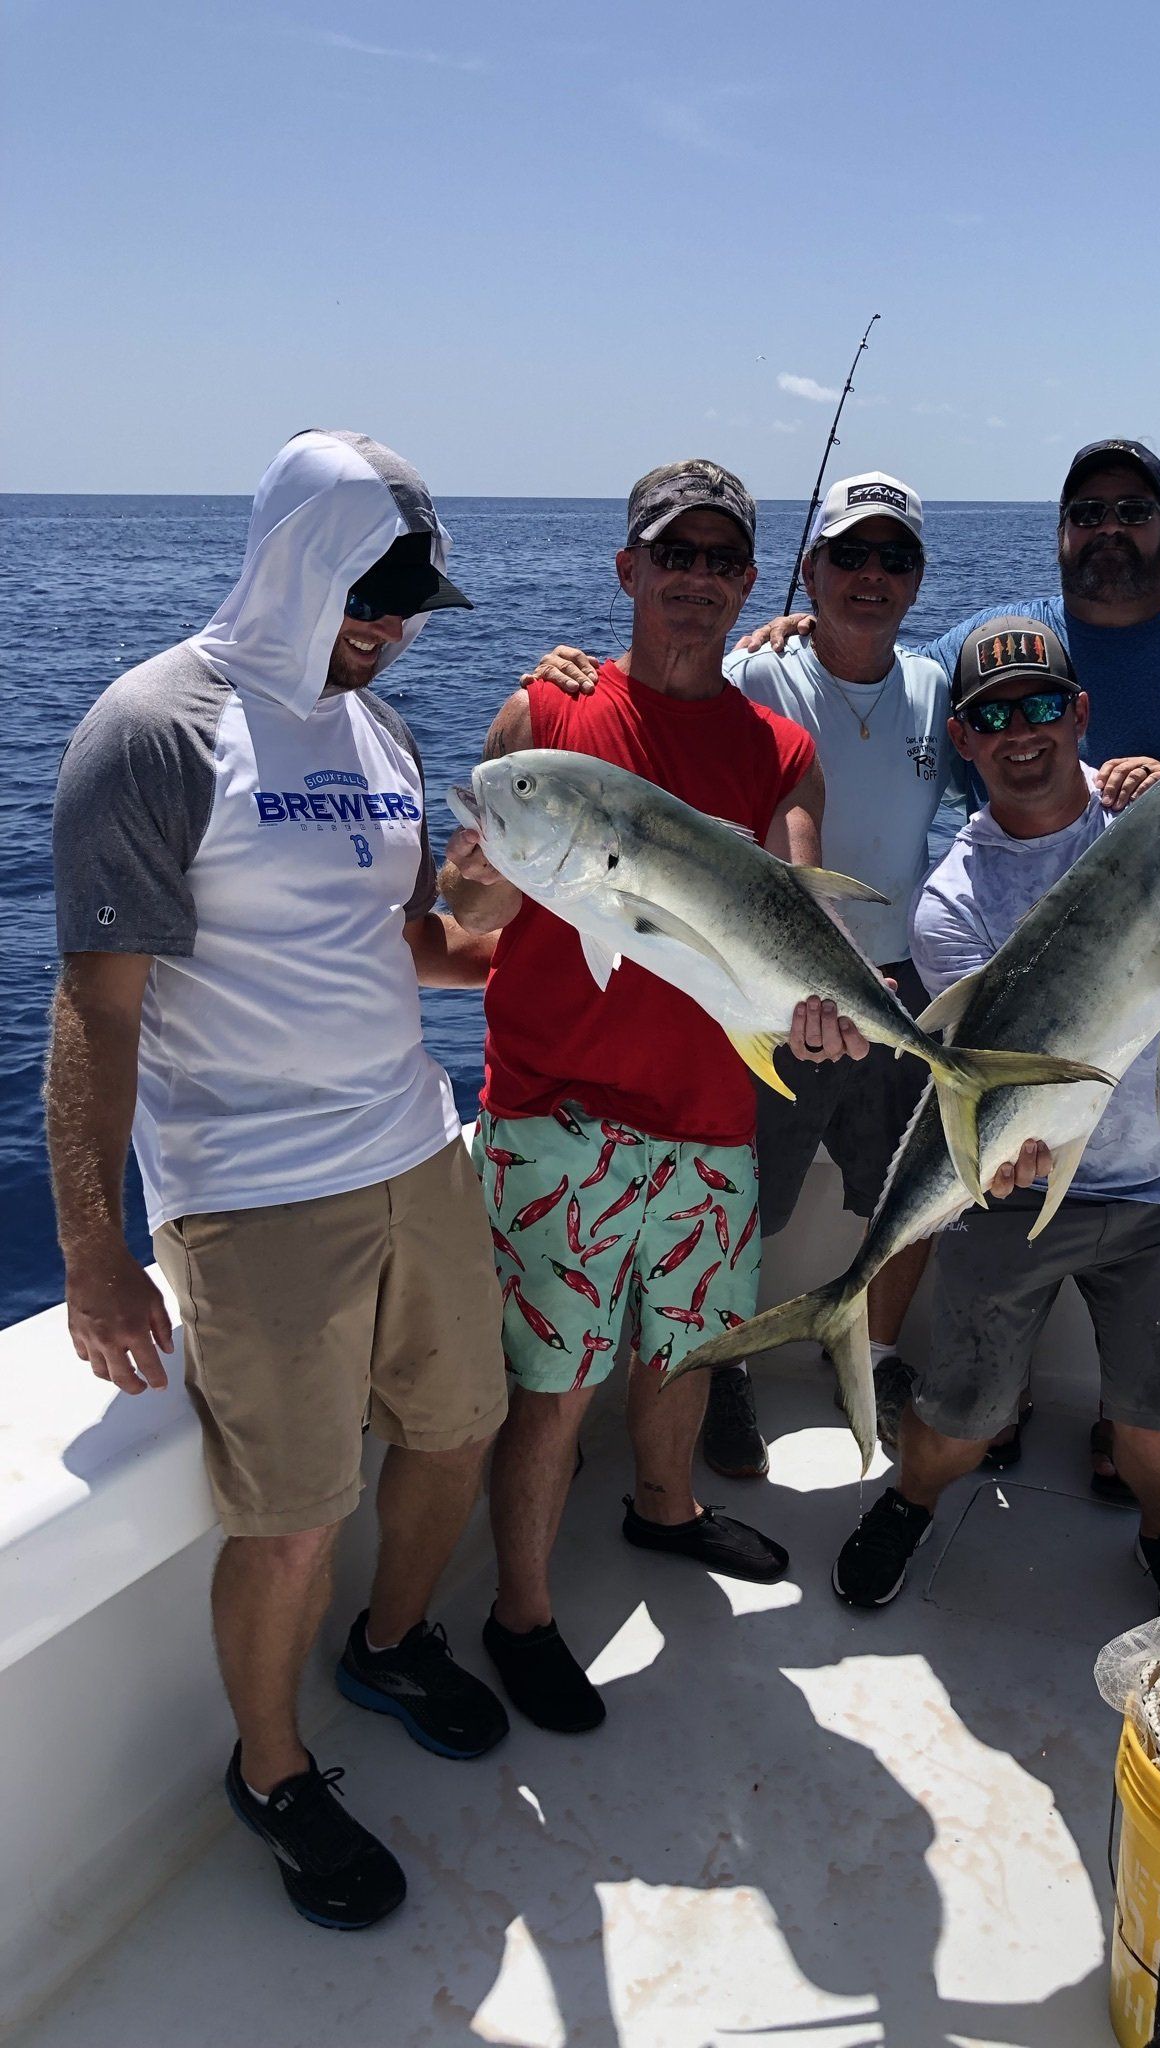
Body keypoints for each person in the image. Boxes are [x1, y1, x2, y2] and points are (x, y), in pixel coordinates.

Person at [47, 430, 512, 1932]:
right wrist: (97, 1254)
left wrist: (496, 916)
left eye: (408, 600)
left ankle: (387, 1645)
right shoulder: (155, 729)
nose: (383, 626)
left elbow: (421, 957)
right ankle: (271, 1769)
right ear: (293, 558)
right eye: (366, 588)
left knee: (460, 1429)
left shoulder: (382, 737)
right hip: (251, 1197)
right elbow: (96, 1009)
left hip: (418, 1151)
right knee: (296, 1514)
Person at [739, 436, 1160, 1491]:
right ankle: (936, 1412)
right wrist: (789, 635)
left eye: (1133, 510)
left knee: (1150, 1420)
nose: (1110, 530)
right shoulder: (972, 696)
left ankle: (1133, 1455)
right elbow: (880, 651)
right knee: (955, 1358)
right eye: (1088, 512)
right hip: (979, 1033)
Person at [439, 458, 866, 1737]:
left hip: (710, 1114)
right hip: (555, 1113)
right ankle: (520, 1612)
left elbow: (793, 899)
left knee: (685, 1349)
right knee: (554, 1383)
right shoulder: (544, 716)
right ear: (627, 569)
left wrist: (822, 999)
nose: (693, 577)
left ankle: (664, 1508)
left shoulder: (781, 749)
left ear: (748, 585)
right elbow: (474, 905)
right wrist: (467, 878)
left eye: (719, 559)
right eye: (669, 554)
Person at [830, 618, 1160, 1616]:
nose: (1023, 731)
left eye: (1045, 704)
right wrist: (999, 1157)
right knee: (954, 1429)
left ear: (1082, 712)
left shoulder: (1158, 820)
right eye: (993, 714)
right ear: (962, 740)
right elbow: (987, 1079)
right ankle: (910, 1495)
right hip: (1015, 1187)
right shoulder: (951, 899)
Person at [513, 472, 955, 1479]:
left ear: (920, 580)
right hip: (783, 980)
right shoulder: (760, 673)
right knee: (761, 1193)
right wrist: (561, 668)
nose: (871, 576)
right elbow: (665, 699)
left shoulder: (939, 684)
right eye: (850, 555)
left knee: (906, 1190)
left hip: (890, 985)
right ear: (810, 568)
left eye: (895, 558)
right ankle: (736, 1370)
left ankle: (879, 1353)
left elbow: (1026, 741)